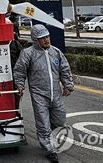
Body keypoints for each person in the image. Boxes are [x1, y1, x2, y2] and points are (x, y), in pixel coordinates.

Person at [13, 24, 74, 163]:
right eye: (42, 38)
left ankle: (49, 139)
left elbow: (64, 69)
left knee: (59, 121)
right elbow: (19, 71)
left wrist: (68, 85)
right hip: (39, 94)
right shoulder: (28, 53)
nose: (46, 40)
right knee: (43, 122)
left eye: (47, 37)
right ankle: (49, 148)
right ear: (35, 40)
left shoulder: (56, 52)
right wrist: (20, 85)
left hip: (56, 93)